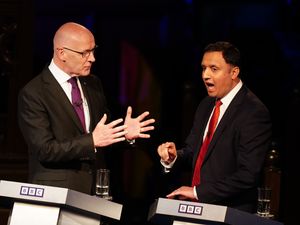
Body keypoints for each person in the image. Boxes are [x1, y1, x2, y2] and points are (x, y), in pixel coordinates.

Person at [18, 22, 155, 195]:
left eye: (93, 50)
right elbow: (45, 150)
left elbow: (102, 137)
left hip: (95, 191)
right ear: (62, 53)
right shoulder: (34, 93)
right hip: (55, 193)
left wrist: (124, 135)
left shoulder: (93, 83)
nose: (92, 58)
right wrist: (91, 141)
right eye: (85, 53)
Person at [157, 41, 272, 213]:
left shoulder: (253, 111)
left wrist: (197, 192)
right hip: (198, 208)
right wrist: (173, 157)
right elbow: (192, 151)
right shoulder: (206, 104)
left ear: (234, 72)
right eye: (203, 68)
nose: (205, 75)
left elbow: (247, 175)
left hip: (230, 211)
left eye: (213, 69)